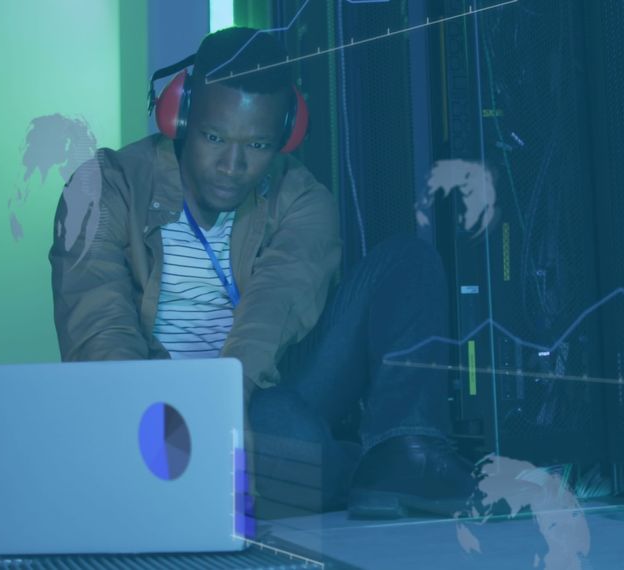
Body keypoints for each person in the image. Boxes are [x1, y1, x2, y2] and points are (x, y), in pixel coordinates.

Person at [49, 26, 473, 519]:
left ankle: (405, 451)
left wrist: (226, 403)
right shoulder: (104, 188)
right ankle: (346, 470)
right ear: (180, 115)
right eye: (213, 137)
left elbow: (276, 304)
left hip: (258, 393)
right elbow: (99, 324)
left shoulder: (302, 198)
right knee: (292, 442)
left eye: (258, 145)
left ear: (285, 136)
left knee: (408, 262)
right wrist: (147, 428)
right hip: (155, 407)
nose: (232, 165)